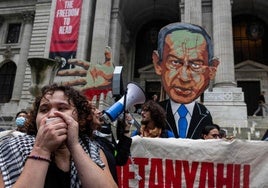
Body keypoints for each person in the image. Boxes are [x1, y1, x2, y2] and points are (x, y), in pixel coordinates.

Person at [0, 84, 117, 187]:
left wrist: (74, 146)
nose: (51, 115)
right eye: (44, 110)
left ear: (80, 118)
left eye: (62, 108)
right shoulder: (11, 146)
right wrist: (41, 149)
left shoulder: (93, 150)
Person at [152, 22, 220, 139]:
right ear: (158, 64)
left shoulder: (204, 114)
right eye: (175, 62)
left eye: (196, 65)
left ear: (212, 70)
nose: (184, 77)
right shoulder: (156, 112)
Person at [89, 106, 132, 184]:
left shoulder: (104, 135)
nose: (100, 112)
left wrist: (126, 130)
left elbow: (120, 159)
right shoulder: (85, 141)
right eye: (94, 109)